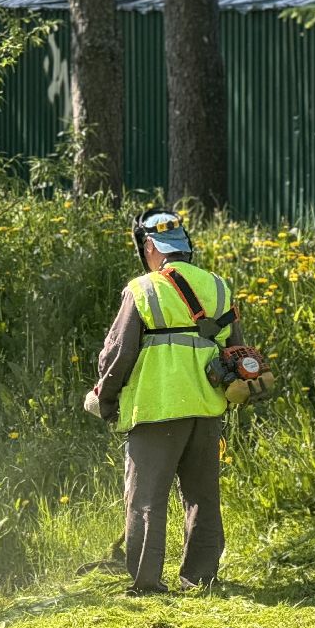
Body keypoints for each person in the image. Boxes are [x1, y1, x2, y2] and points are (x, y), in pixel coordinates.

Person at [89, 208, 242, 596]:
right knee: (203, 497)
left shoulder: (142, 289)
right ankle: (201, 578)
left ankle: (146, 582)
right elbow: (236, 350)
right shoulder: (219, 287)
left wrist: (104, 398)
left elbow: (119, 353)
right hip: (207, 410)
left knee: (145, 500)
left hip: (156, 410)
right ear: (185, 247)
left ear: (153, 248)